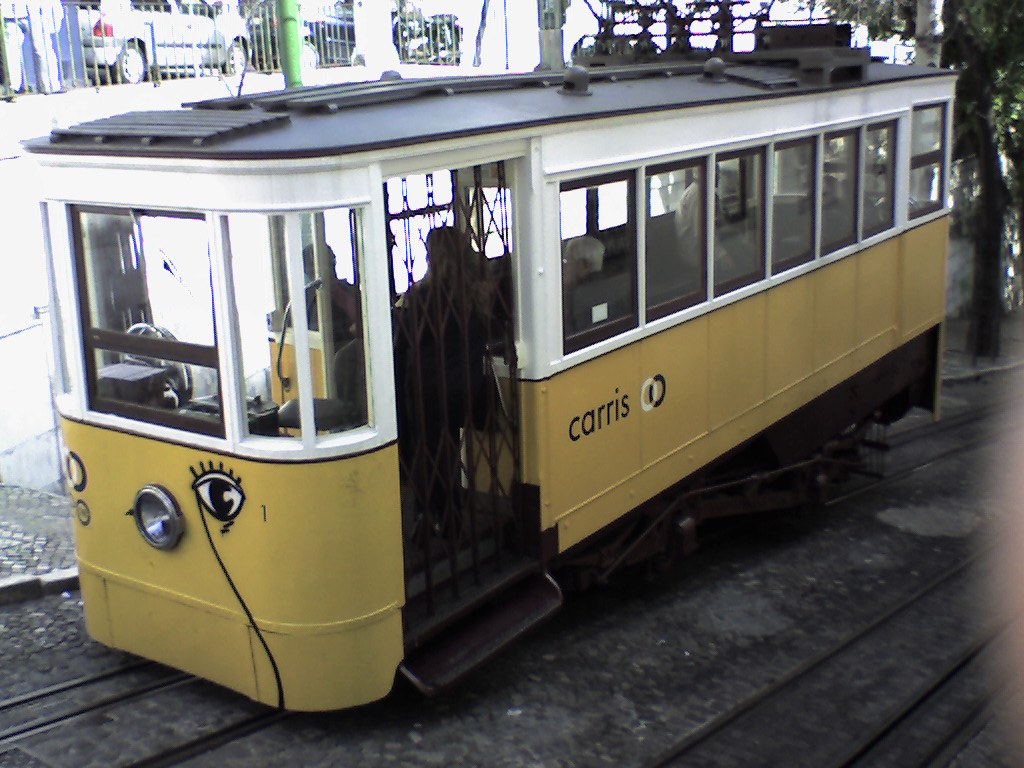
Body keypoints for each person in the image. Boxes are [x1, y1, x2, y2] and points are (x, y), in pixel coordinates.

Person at [393, 225, 486, 545]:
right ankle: (445, 515)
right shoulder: (476, 291)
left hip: (429, 391)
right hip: (467, 389)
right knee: (445, 453)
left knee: (429, 454)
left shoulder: (422, 298)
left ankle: (435, 517)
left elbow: (400, 340)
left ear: (432, 256)